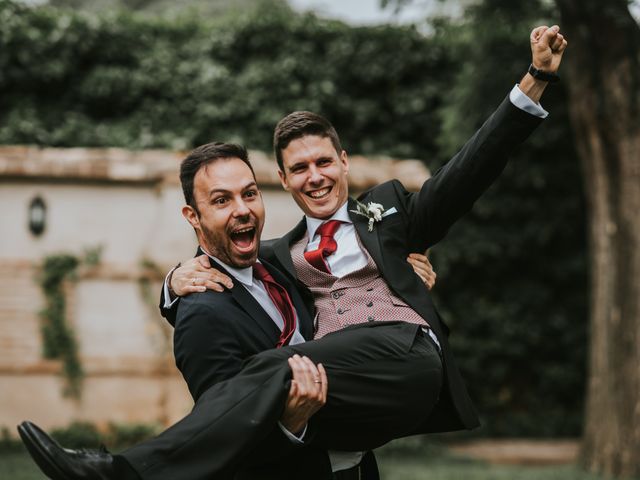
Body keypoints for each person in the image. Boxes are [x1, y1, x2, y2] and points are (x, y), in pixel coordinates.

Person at [18, 24, 567, 480]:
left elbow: (467, 174)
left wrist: (534, 82)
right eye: (299, 168)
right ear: (284, 179)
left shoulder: (392, 212)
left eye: (324, 161)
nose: (315, 175)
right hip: (348, 398)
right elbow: (229, 279)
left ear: (344, 162)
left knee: (270, 369)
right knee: (267, 374)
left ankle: (122, 474)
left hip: (408, 356)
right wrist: (172, 283)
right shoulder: (279, 256)